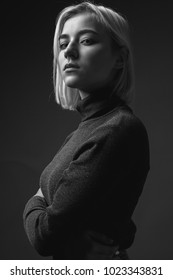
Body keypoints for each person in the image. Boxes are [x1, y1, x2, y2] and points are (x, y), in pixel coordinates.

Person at [23, 1, 150, 260]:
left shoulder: (117, 129)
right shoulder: (84, 131)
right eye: (62, 44)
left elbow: (44, 235)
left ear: (119, 59)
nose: (69, 51)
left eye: (87, 40)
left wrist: (34, 200)